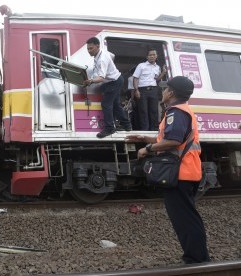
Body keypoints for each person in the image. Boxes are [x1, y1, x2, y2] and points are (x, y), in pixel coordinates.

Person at [126, 76, 210, 264]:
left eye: (165, 89)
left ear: (171, 93)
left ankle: (196, 259)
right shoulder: (183, 110)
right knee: (188, 216)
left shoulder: (176, 112)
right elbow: (172, 138)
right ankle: (197, 257)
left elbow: (174, 140)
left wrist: (146, 149)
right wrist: (145, 139)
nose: (162, 92)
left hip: (181, 173)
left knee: (185, 219)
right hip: (187, 172)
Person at [83, 37, 132, 138]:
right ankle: (127, 125)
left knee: (106, 104)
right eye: (88, 49)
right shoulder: (100, 54)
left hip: (114, 82)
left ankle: (109, 128)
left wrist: (91, 81)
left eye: (91, 48)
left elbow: (101, 78)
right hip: (116, 80)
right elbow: (112, 56)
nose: (89, 51)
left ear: (97, 46)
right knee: (116, 105)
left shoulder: (102, 59)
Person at [133, 49, 167, 131]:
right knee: (143, 111)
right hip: (142, 90)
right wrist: (136, 90)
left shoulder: (157, 67)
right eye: (150, 55)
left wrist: (163, 72)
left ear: (156, 56)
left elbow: (156, 79)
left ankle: (154, 129)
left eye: (153, 55)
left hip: (153, 90)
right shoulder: (141, 65)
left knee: (154, 110)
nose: (152, 56)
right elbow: (135, 78)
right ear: (147, 57)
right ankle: (145, 129)